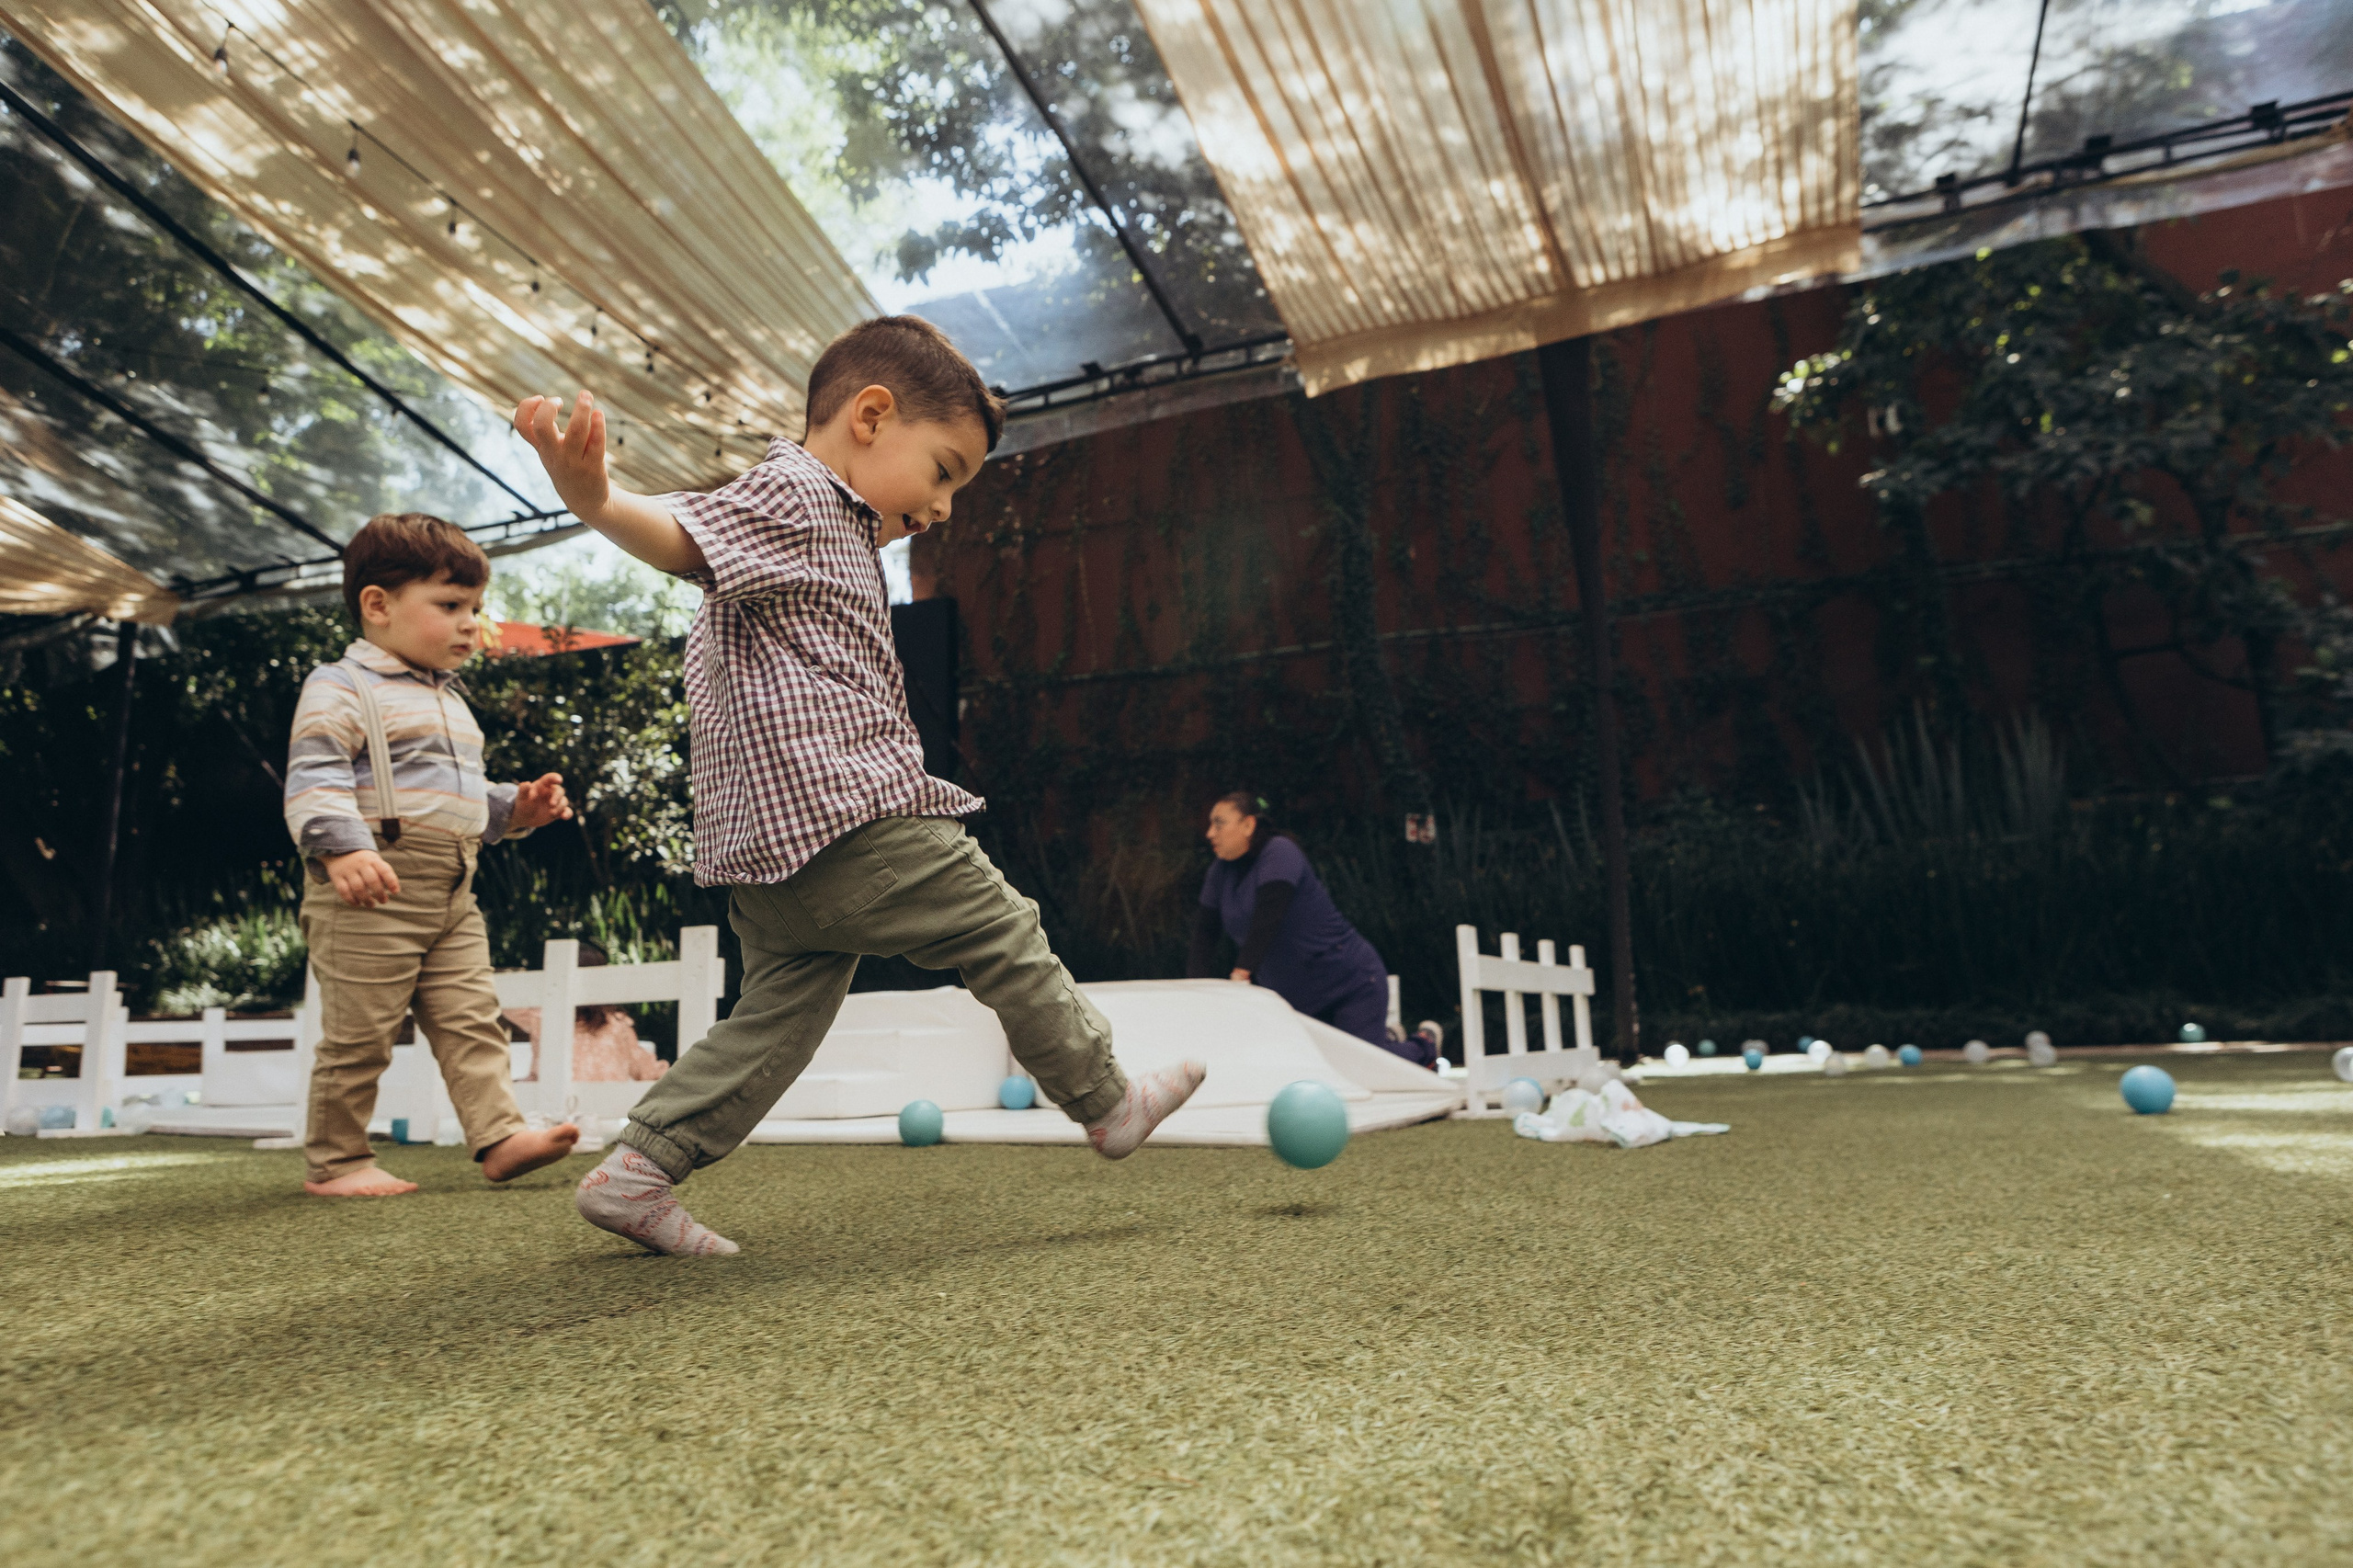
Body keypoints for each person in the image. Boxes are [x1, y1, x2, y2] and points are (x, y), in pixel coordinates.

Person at [512, 315, 1205, 1257]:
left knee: (775, 1018)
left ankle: (640, 1167)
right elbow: (680, 536)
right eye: (944, 469)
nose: (946, 506)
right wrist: (598, 499)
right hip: (845, 816)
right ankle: (1104, 1097)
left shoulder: (831, 535)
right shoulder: (800, 494)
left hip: (765, 854)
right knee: (1003, 929)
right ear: (871, 416)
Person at [283, 514, 581, 1197]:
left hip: (452, 891)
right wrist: (342, 852)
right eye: (450, 606)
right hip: (371, 886)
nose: (471, 623)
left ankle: (500, 1137)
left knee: (473, 1019)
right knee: (360, 1035)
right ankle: (337, 1161)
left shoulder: (450, 704)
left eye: (475, 608)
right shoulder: (341, 687)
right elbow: (316, 779)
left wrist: (514, 809)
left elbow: (455, 794)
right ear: (378, 606)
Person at [1188, 791, 1400, 1051]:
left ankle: (1424, 1045)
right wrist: (1195, 990)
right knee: (1317, 1071)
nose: (1210, 833)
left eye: (1219, 823)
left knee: (1367, 1067)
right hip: (1297, 1000)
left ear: (1248, 825)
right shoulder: (1220, 871)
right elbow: (1205, 934)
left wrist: (1241, 973)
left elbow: (1268, 916)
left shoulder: (1279, 851)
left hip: (1348, 982)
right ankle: (1394, 1040)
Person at [503, 941, 669, 1083]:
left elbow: (504, 998)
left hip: (556, 1110)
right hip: (605, 1111)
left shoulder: (543, 1018)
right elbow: (647, 1070)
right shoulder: (617, 1024)